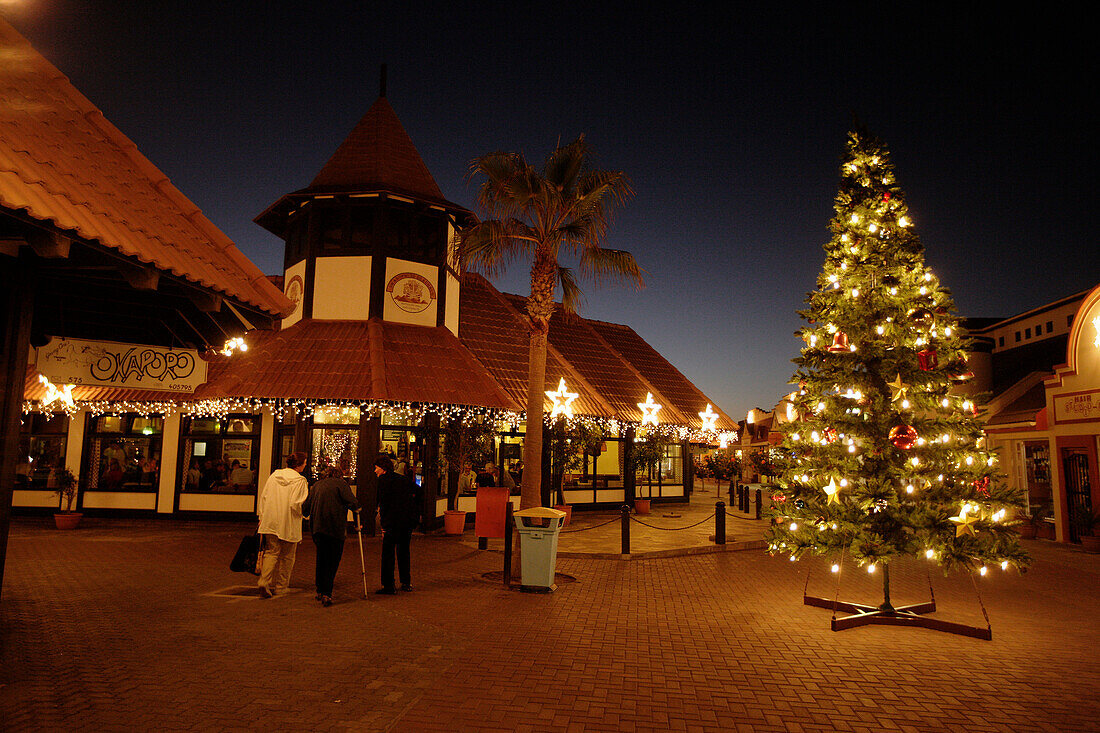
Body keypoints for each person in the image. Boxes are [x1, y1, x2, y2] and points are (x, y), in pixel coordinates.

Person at [303, 467, 360, 607]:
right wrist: (357, 516)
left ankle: (320, 589)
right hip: (335, 528)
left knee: (321, 558)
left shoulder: (317, 485)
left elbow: (305, 508)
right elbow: (354, 503)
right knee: (332, 560)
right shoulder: (341, 485)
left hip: (317, 528)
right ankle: (327, 593)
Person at [256, 451, 309, 598]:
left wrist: (262, 515)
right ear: (299, 465)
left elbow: (264, 497)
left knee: (271, 552)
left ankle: (264, 581)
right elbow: (296, 504)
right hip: (288, 522)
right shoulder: (300, 481)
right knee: (287, 556)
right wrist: (305, 515)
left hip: (271, 520)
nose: (305, 465)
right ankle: (281, 586)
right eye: (304, 462)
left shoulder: (274, 476)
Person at [374, 455, 421, 595]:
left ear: (383, 469)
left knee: (388, 553)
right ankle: (406, 582)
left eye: (376, 468)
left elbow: (384, 504)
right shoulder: (402, 479)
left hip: (392, 522)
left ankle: (389, 585)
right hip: (406, 521)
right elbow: (418, 491)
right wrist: (413, 508)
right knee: (404, 551)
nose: (375, 471)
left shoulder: (383, 481)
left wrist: (383, 525)